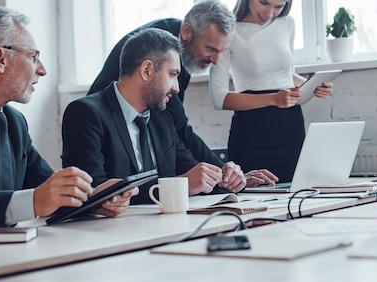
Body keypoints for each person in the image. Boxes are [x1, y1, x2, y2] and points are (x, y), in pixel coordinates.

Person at [0, 6, 136, 231]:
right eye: (33, 57)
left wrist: (93, 199)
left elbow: (47, 190)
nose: (42, 70)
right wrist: (32, 201)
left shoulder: (14, 123)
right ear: (0, 58)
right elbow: (36, 199)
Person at [89, 0, 277, 187]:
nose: (216, 60)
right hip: (106, 145)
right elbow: (181, 129)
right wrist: (223, 175)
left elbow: (176, 133)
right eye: (211, 49)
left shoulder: (184, 54)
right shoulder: (160, 49)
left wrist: (226, 178)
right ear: (187, 32)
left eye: (222, 51)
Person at [62, 28, 247, 203]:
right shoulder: (85, 114)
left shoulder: (162, 117)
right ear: (147, 70)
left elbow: (192, 173)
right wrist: (179, 186)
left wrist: (225, 179)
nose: (177, 88)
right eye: (172, 74)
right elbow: (93, 191)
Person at [209, 0, 333, 183]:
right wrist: (274, 99)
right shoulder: (228, 30)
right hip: (251, 130)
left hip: (290, 127)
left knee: (294, 193)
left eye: (278, 6)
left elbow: (285, 74)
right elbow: (219, 99)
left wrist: (312, 85)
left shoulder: (287, 24)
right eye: (263, 2)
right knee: (250, 199)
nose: (269, 13)